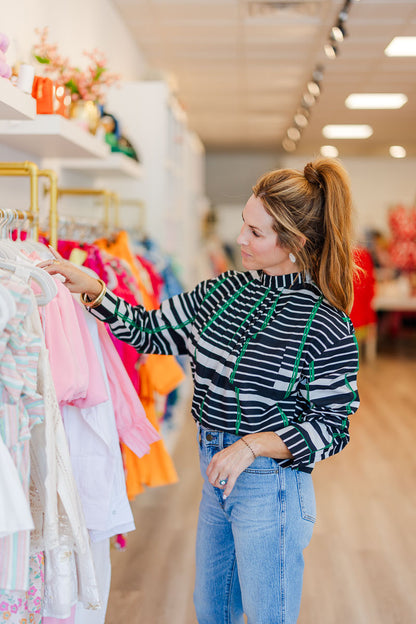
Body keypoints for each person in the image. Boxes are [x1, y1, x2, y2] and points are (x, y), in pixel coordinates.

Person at [39, 157, 360, 624]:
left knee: (269, 616)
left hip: (271, 489)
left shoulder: (326, 324)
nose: (239, 239)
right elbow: (152, 331)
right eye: (243, 225)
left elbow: (332, 429)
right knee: (211, 611)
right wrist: (95, 291)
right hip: (216, 479)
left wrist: (252, 446)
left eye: (255, 232)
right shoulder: (223, 291)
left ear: (295, 245)